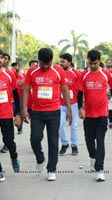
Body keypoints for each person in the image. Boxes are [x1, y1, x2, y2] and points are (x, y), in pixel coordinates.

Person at [22, 48, 72, 181]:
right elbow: (26, 89)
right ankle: (40, 158)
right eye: (42, 63)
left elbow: (65, 90)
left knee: (53, 142)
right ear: (38, 60)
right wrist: (24, 109)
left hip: (54, 112)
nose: (45, 66)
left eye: (48, 64)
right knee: (35, 139)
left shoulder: (58, 70)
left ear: (52, 61)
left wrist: (69, 110)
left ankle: (51, 169)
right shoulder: (32, 71)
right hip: (37, 112)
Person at [78, 49, 112, 182]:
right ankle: (92, 156)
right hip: (89, 115)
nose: (93, 66)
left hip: (102, 114)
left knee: (100, 141)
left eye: (95, 63)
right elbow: (79, 92)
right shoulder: (83, 75)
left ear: (99, 61)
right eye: (91, 63)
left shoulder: (105, 74)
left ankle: (100, 170)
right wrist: (80, 108)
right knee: (89, 141)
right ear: (88, 60)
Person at [0, 49, 22, 182]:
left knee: (9, 141)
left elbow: (16, 95)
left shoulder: (9, 75)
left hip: (6, 114)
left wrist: (17, 113)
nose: (1, 60)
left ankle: (14, 157)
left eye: (2, 57)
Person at [58, 53, 80, 156]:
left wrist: (82, 105)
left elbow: (81, 90)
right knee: (59, 125)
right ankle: (64, 143)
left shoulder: (76, 73)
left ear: (69, 62)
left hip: (73, 104)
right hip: (61, 104)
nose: (61, 63)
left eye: (63, 61)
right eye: (60, 61)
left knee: (74, 126)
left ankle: (74, 146)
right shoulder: (58, 73)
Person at [11, 62, 25, 135]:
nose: (15, 67)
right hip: (11, 99)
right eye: (13, 66)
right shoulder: (11, 75)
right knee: (12, 114)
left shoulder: (23, 76)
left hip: (20, 98)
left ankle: (19, 127)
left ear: (19, 67)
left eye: (16, 66)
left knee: (19, 113)